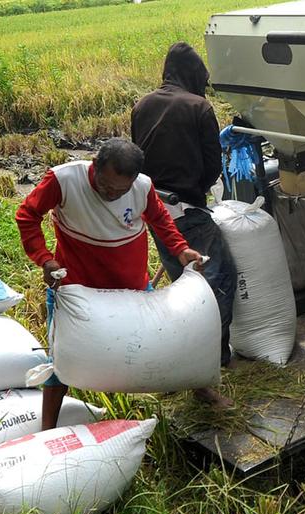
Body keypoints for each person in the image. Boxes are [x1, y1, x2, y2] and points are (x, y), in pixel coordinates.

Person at [16, 138, 207, 428]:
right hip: (77, 288)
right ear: (95, 166)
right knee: (62, 360)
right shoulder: (64, 179)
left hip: (131, 284)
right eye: (106, 186)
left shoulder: (142, 186)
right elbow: (27, 215)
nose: (112, 195)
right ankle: (48, 428)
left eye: (121, 190)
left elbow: (160, 219)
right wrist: (45, 259)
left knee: (167, 338)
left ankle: (202, 389)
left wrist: (181, 249)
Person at [132, 42, 237, 399]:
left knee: (182, 290)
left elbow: (137, 159)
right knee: (218, 283)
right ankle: (209, 363)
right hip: (187, 211)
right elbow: (212, 167)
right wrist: (197, 194)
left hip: (156, 212)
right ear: (193, 76)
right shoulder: (199, 107)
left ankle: (183, 361)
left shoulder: (142, 105)